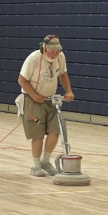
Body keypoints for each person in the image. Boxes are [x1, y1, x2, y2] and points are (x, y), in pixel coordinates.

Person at [17, 34, 75, 177]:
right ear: (44, 48)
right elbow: (22, 80)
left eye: (58, 51)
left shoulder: (60, 57)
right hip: (32, 99)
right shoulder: (33, 59)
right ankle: (36, 166)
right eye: (52, 51)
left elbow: (63, 74)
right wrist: (34, 96)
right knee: (37, 135)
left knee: (55, 131)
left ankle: (45, 161)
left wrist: (68, 91)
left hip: (50, 99)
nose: (55, 54)